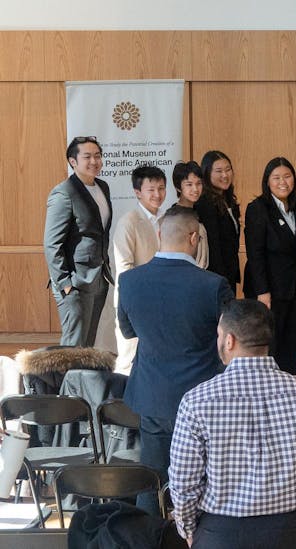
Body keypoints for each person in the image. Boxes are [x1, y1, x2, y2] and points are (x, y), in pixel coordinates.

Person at [169, 300, 296, 548]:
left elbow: (184, 480)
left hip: (219, 531)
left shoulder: (197, 400)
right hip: (286, 530)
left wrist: (187, 528)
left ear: (229, 340)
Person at [118, 207, 234, 515]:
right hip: (203, 399)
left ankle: (149, 537)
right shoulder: (214, 285)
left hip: (152, 395)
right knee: (207, 481)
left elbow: (129, 331)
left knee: (152, 480)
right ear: (194, 238)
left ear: (159, 235)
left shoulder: (129, 281)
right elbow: (229, 343)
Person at [44, 136, 113, 347]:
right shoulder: (63, 193)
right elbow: (51, 244)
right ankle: (65, 382)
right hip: (74, 282)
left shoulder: (103, 186)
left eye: (98, 156)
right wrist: (65, 285)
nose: (94, 161)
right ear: (73, 161)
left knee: (87, 347)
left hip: (98, 278)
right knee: (72, 348)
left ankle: (82, 381)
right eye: (87, 157)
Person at [244, 157, 296, 376]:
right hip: (269, 290)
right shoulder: (258, 208)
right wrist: (263, 292)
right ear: (267, 181)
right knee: (271, 343)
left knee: (294, 342)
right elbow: (255, 254)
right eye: (276, 178)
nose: (283, 182)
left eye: (287, 177)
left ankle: (290, 387)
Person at [112, 165, 167, 374]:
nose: (157, 194)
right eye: (151, 190)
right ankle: (121, 405)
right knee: (130, 358)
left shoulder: (166, 219)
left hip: (161, 299)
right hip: (135, 300)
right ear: (138, 193)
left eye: (161, 188)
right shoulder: (129, 222)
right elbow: (124, 269)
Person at [196, 150, 241, 291]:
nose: (225, 175)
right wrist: (222, 280)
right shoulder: (205, 203)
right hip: (216, 277)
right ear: (207, 173)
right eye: (219, 171)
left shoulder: (228, 200)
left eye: (228, 170)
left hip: (229, 273)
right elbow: (213, 245)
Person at [168, 160, 209, 269]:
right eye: (189, 184)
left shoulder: (201, 211)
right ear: (178, 187)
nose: (195, 189)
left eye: (198, 183)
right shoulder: (173, 217)